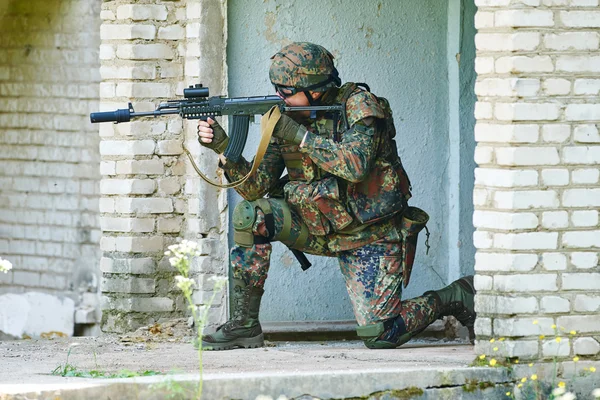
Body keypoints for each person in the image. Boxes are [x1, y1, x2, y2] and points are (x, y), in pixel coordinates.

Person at [196, 42, 475, 350]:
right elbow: (254, 188)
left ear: (314, 89)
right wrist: (224, 148)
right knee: (252, 214)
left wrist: (300, 136)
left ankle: (456, 296)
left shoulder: (360, 106)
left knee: (380, 334)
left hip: (369, 234)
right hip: (317, 228)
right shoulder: (288, 118)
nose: (279, 97)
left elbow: (354, 167)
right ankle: (244, 326)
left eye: (286, 91)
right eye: (277, 89)